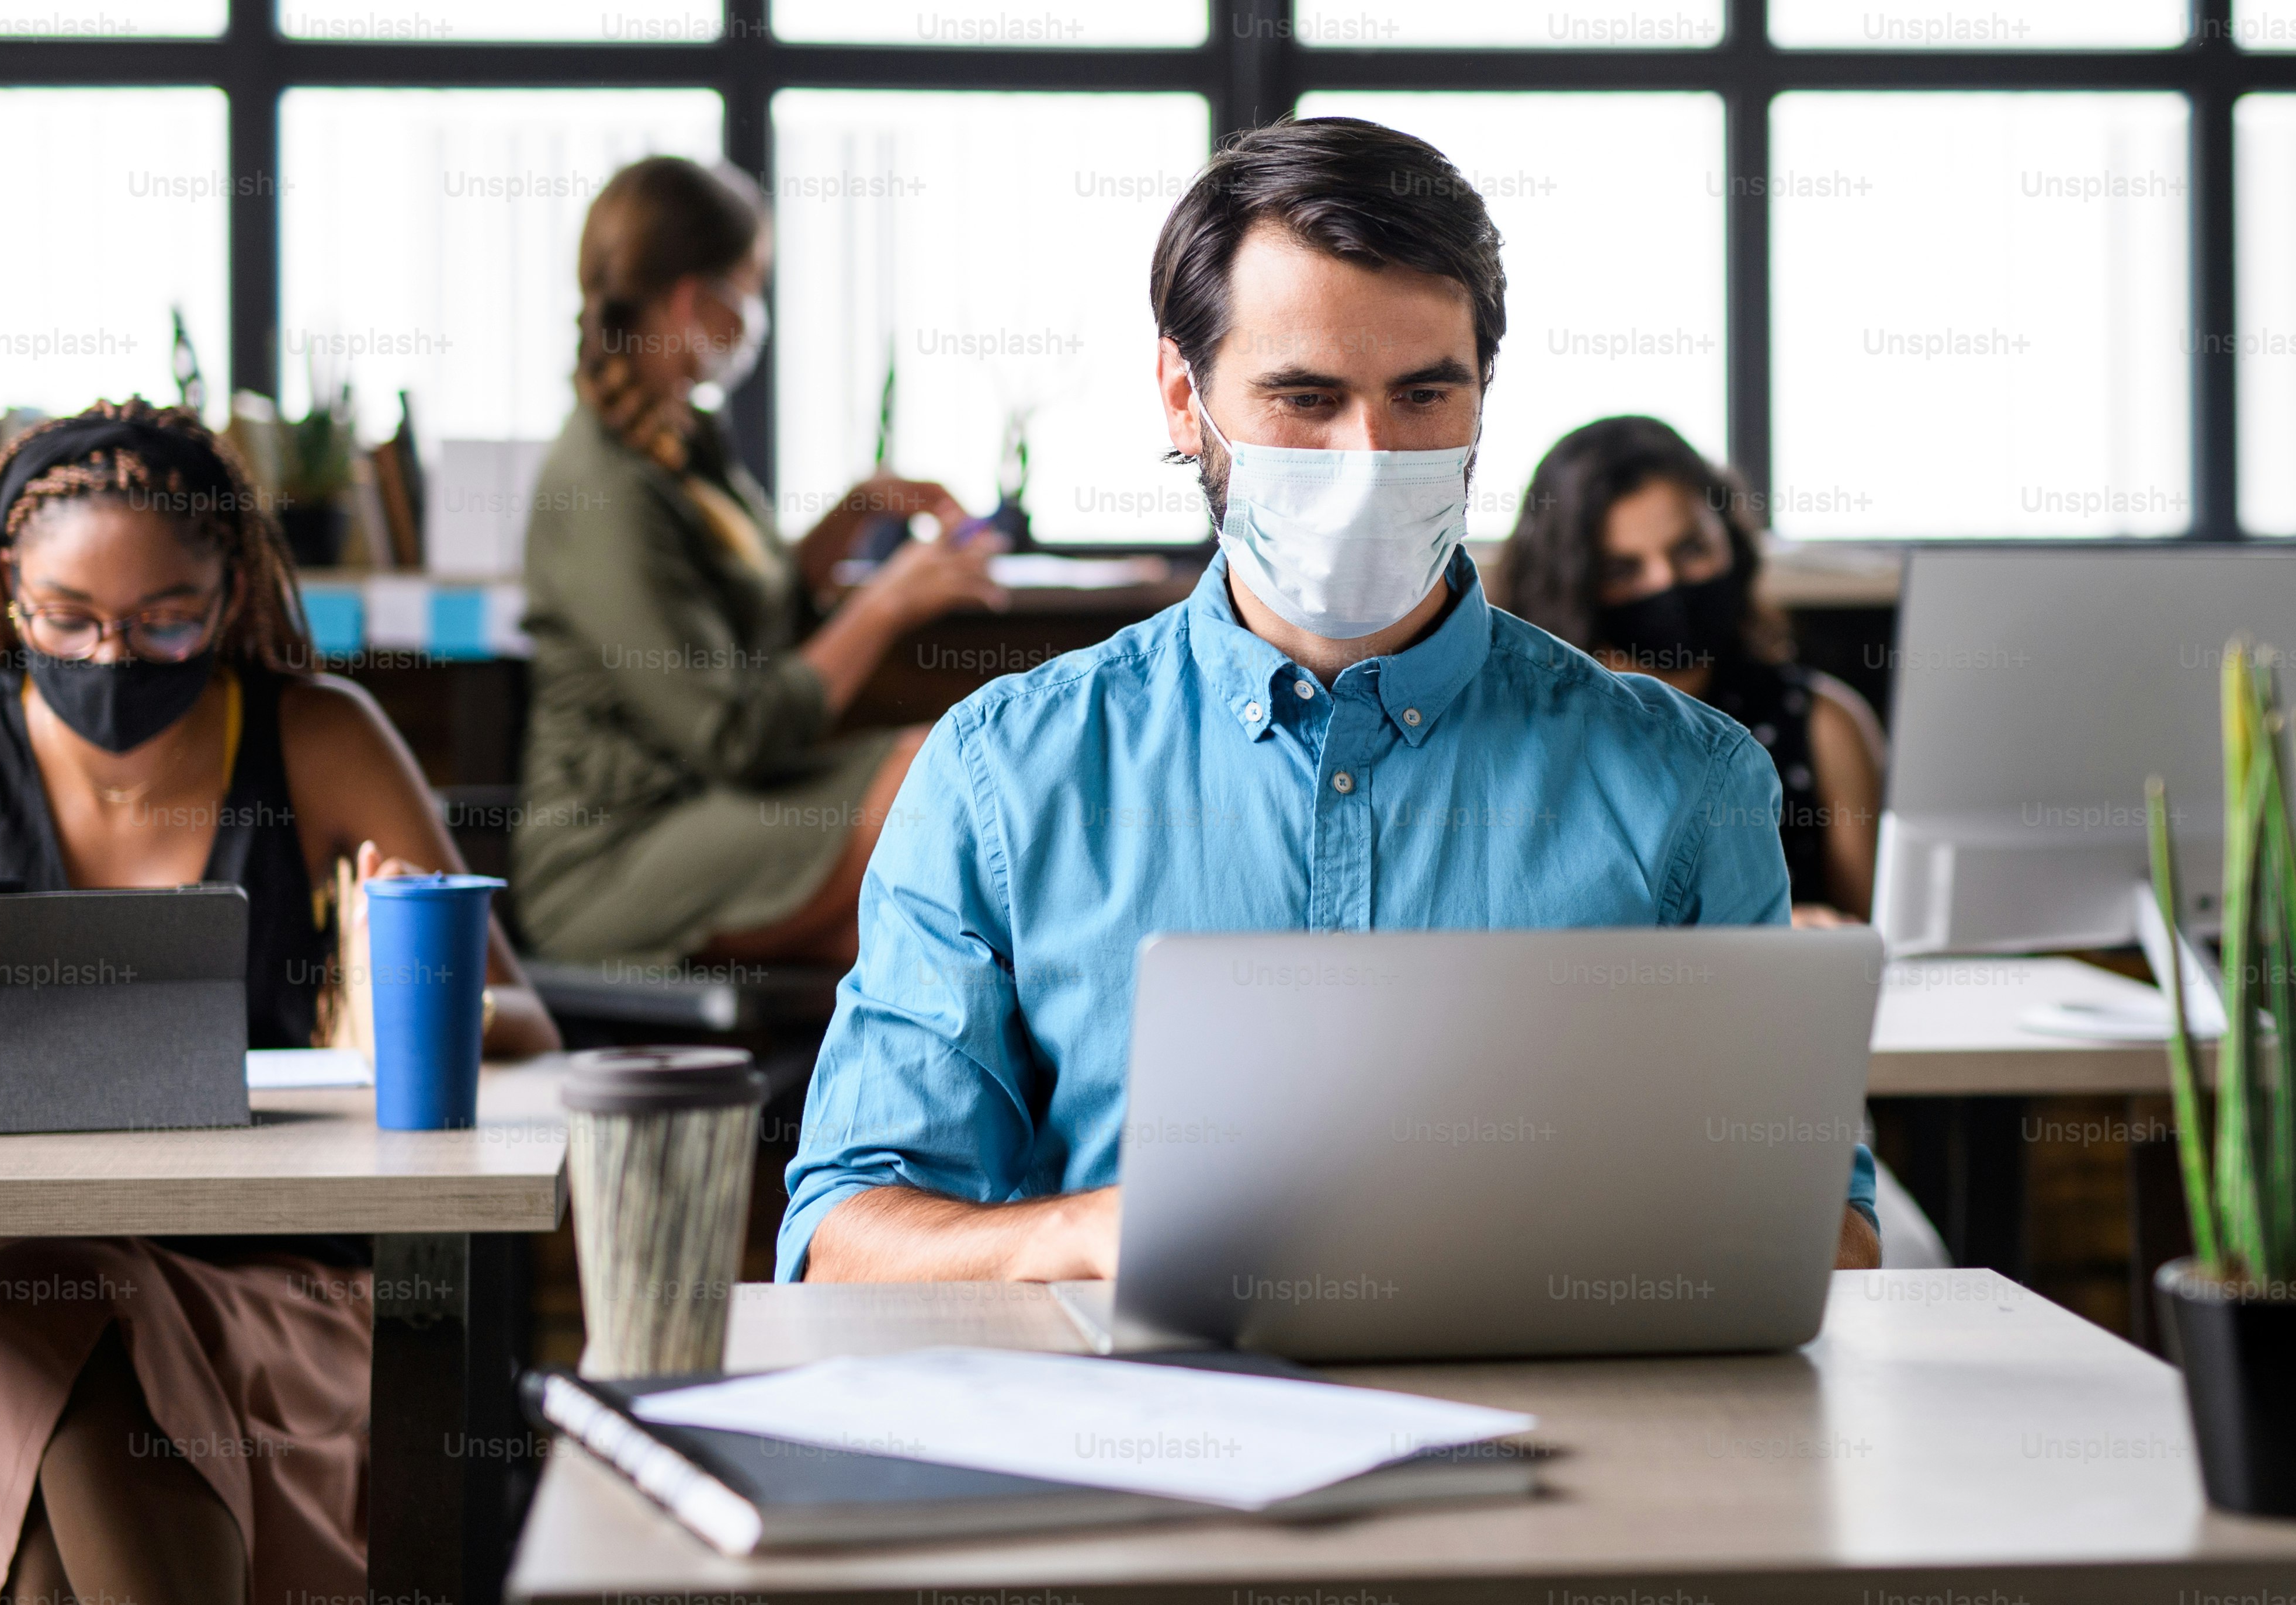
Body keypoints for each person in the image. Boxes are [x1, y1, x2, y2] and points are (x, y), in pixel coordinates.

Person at [779, 115, 1882, 1282]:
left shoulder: (1685, 782)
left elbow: (1833, 1238)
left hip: (1576, 1434)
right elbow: (845, 1233)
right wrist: (1091, 1231)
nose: (1367, 458)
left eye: (1422, 397)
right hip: (1137, 1438)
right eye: (1304, 398)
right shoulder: (1003, 775)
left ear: (1482, 395)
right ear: (1178, 395)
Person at [0, 398, 560, 1605]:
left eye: (163, 621)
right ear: (8, 588)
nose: (111, 657)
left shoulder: (318, 734)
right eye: (66, 619)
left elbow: (523, 1021)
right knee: (55, 1312)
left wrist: (406, 992)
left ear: (230, 595)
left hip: (268, 1274)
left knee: (49, 1505)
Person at [514, 155, 1004, 965]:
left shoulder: (683, 442)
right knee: (930, 778)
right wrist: (882, 605)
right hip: (613, 856)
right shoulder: (603, 486)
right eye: (748, 286)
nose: (755, 313)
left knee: (921, 918)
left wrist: (857, 512)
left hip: (716, 806)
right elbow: (732, 731)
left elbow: (751, 612)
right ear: (690, 301)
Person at [1495, 416, 1889, 921]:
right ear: (1574, 586)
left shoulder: (1823, 723)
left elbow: (1875, 937)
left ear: (1729, 540)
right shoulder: (1516, 731)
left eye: (1690, 550)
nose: (1666, 582)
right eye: (1624, 569)